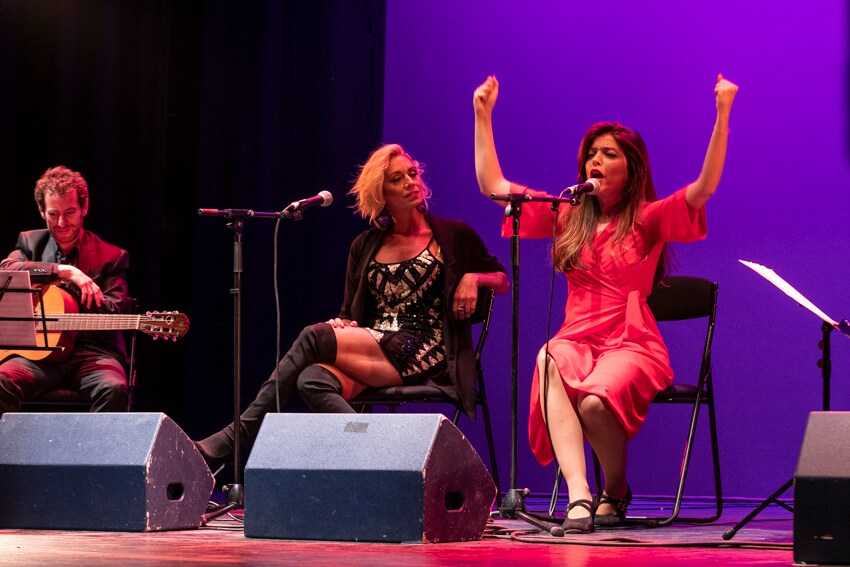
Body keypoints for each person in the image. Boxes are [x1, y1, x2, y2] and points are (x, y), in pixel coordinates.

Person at [473, 74, 738, 533]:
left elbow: (704, 188)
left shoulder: (648, 218)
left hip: (631, 341)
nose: (596, 160)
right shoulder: (567, 212)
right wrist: (482, 115)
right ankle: (580, 495)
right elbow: (493, 185)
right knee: (548, 356)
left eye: (609, 153)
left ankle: (615, 489)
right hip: (576, 338)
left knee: (595, 403)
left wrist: (723, 115)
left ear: (631, 168)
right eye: (591, 154)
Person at [195, 143, 509, 468]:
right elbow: (350, 314)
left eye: (412, 174)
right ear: (381, 193)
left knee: (312, 337)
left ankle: (235, 437)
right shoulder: (365, 245)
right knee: (312, 380)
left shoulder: (453, 234)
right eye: (397, 179)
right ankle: (383, 457)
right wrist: (343, 326)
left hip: (426, 349)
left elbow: (502, 279)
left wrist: (474, 278)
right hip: (379, 347)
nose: (410, 183)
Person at [0, 166, 131, 414]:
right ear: (41, 211)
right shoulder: (29, 243)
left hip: (90, 355)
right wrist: (64, 271)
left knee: (113, 388)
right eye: (53, 213)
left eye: (70, 212)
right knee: (1, 380)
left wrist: (77, 297)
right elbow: (6, 270)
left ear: (84, 208)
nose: (61, 222)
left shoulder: (112, 257)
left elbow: (116, 309)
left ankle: (95, 454)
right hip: (37, 356)